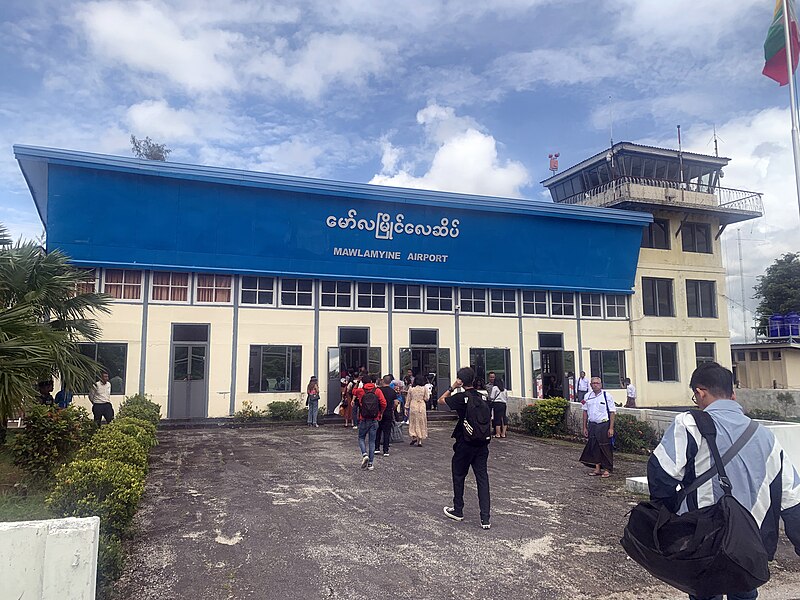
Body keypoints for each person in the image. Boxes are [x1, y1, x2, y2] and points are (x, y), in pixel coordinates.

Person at [648, 362, 800, 600]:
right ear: (733, 394)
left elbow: (662, 474)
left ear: (700, 392)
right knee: (744, 593)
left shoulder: (689, 424)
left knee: (704, 593)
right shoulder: (766, 436)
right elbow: (792, 499)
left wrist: (666, 517)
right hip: (747, 545)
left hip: (701, 541)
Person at [439, 367, 491, 530]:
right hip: (482, 443)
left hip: (465, 443)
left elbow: (441, 401)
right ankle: (485, 518)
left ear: (461, 381)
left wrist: (452, 387)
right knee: (482, 478)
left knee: (459, 475)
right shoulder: (484, 396)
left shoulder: (461, 397)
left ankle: (458, 510)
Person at [578, 376, 615, 478]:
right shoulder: (587, 396)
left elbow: (612, 412)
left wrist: (611, 428)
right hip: (592, 425)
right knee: (594, 447)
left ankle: (607, 469)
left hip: (603, 424)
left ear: (601, 384)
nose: (595, 385)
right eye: (593, 383)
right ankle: (597, 468)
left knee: (605, 447)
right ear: (590, 385)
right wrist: (584, 427)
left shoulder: (607, 396)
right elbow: (585, 412)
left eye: (597, 383)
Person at [353, 375, 386, 471]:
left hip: (363, 418)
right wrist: (381, 413)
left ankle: (364, 454)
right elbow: (384, 403)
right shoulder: (377, 391)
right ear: (371, 381)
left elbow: (353, 391)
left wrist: (357, 383)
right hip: (374, 418)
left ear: (363, 382)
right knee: (372, 441)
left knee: (361, 437)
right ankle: (370, 464)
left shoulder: (360, 391)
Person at [377, 375, 399, 456]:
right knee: (387, 432)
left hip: (379, 413)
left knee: (378, 430)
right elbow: (396, 402)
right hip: (388, 412)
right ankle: (386, 450)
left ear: (383, 381)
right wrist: (393, 408)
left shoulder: (378, 390)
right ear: (390, 382)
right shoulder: (392, 391)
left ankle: (376, 448)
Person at [406, 374, 429, 447]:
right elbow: (426, 398)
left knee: (413, 421)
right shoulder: (424, 388)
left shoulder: (411, 388)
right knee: (421, 422)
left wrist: (406, 408)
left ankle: (414, 436)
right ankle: (420, 441)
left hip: (413, 405)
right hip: (421, 406)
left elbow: (408, 399)